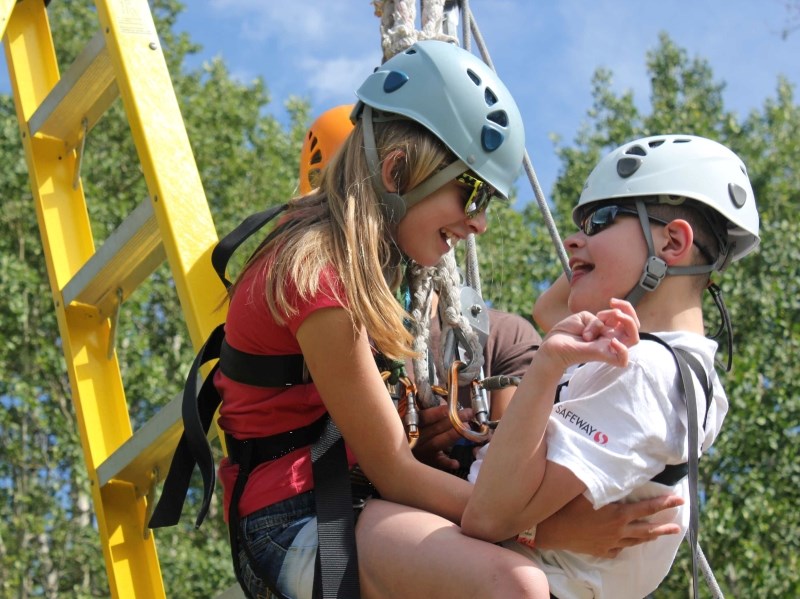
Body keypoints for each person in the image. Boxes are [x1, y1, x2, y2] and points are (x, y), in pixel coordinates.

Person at [215, 39, 549, 598]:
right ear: (397, 172)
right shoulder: (319, 275)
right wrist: (536, 519)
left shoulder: (371, 272)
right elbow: (393, 470)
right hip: (293, 521)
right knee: (514, 583)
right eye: (472, 193)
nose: (480, 223)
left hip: (347, 499)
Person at [462, 134, 760, 598]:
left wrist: (539, 532)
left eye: (599, 219)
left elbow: (487, 517)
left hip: (508, 568)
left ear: (674, 241)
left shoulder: (644, 372)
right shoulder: (678, 366)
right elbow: (550, 309)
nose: (572, 239)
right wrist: (601, 254)